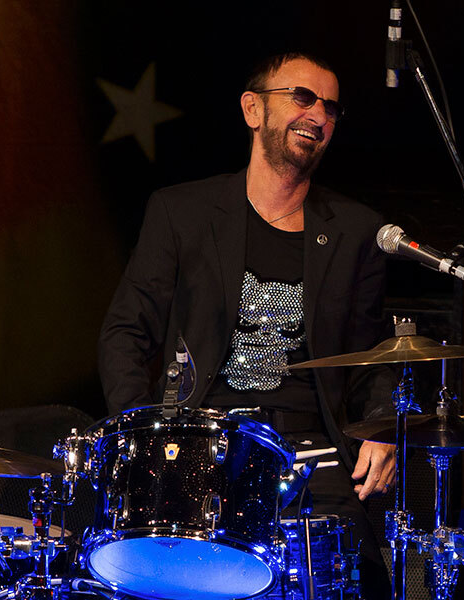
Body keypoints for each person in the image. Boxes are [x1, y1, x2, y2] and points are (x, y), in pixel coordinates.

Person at [98, 52, 396, 598]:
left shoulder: (358, 230)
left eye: (330, 107)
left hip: (313, 458)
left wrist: (380, 426)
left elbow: (374, 354)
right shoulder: (181, 211)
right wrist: (141, 439)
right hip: (204, 450)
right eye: (302, 98)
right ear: (252, 109)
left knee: (362, 578)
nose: (318, 115)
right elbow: (126, 332)